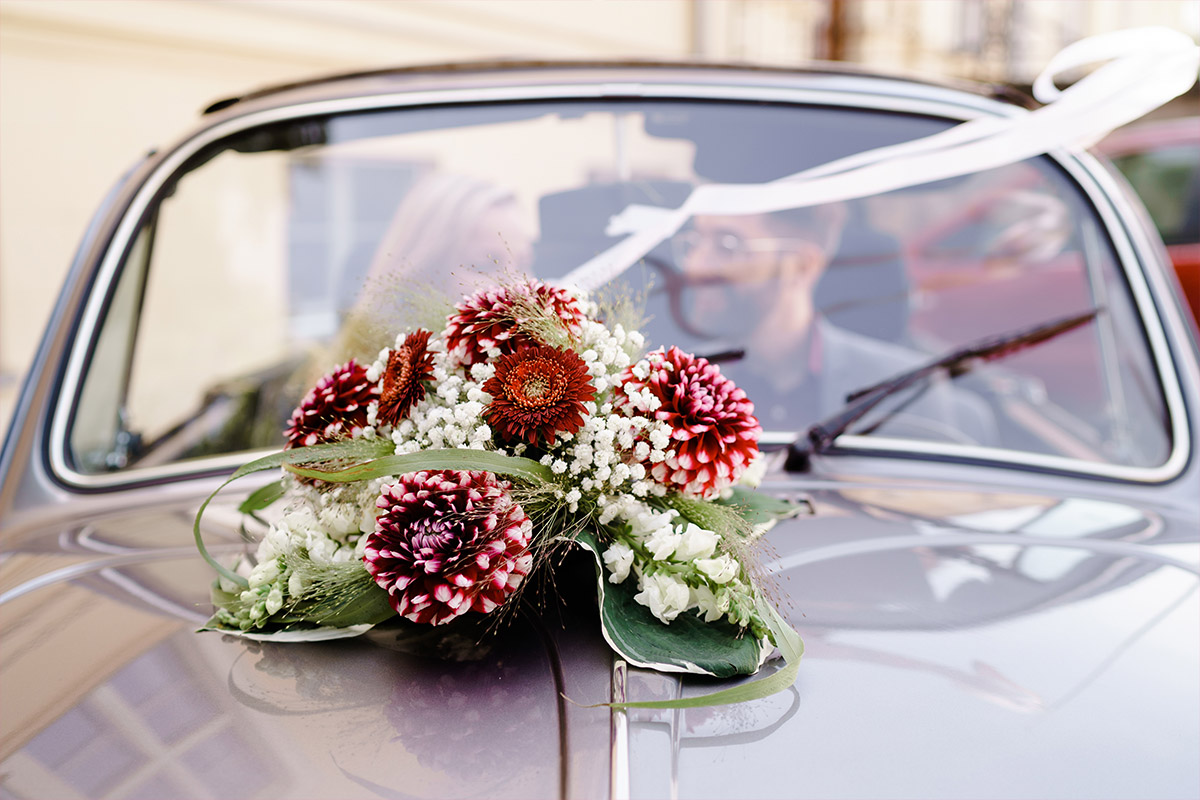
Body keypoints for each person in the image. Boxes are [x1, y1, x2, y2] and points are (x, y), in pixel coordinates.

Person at [671, 203, 996, 444]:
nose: (694, 265)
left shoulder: (904, 393)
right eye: (695, 242)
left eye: (727, 246)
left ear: (800, 265)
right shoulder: (672, 390)